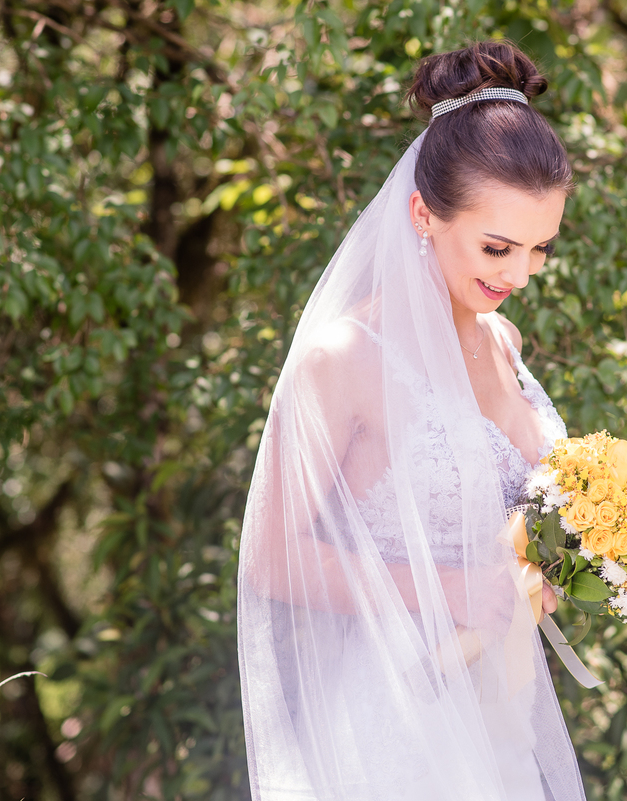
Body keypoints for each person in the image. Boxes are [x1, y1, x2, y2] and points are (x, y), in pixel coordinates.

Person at [236, 40, 587, 800]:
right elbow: (271, 557)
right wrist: (451, 590)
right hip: (394, 721)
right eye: (497, 246)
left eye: (539, 248)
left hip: (500, 708)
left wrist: (555, 568)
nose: (518, 274)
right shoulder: (344, 358)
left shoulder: (505, 341)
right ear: (423, 214)